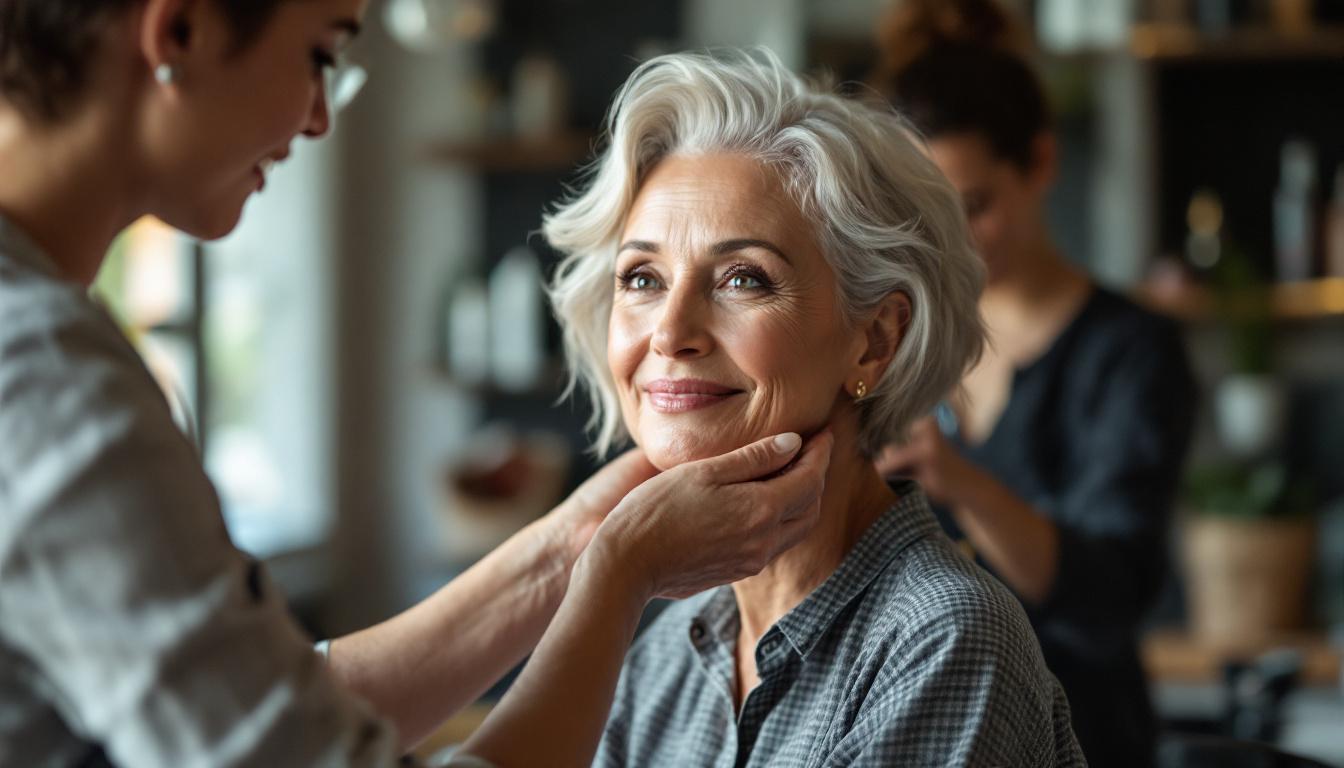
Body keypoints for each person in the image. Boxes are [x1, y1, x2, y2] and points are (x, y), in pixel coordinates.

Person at [0, 2, 834, 766]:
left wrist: (575, 546)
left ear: (878, 337)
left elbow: (261, 714)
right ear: (178, 33)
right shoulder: (43, 377)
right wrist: (615, 576)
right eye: (320, 56)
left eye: (744, 280)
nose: (321, 116)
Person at [539, 48, 1087, 767]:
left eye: (743, 278)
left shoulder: (944, 638)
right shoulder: (669, 650)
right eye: (642, 277)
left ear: (874, 340)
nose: (669, 333)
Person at [870, 2, 1197, 766]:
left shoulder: (1128, 352)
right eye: (927, 214)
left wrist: (963, 484)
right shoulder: (898, 346)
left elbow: (1110, 595)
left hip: (1082, 738)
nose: (950, 241)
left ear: (1040, 163)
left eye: (974, 207)